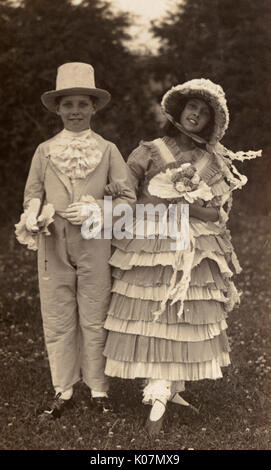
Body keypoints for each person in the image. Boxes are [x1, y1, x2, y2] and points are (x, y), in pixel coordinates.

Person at [103, 78, 261, 435]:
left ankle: (171, 387)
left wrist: (192, 204)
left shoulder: (212, 159)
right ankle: (157, 387)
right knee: (153, 309)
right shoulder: (151, 149)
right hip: (151, 240)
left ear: (210, 122)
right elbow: (127, 195)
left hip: (192, 243)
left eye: (204, 113)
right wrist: (149, 200)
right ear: (179, 109)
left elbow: (217, 212)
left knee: (183, 312)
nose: (196, 115)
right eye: (192, 107)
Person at [15, 62, 136, 419]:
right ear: (57, 108)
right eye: (68, 104)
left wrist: (98, 209)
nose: (75, 112)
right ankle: (63, 388)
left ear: (94, 108)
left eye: (83, 104)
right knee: (57, 315)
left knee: (96, 313)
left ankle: (99, 389)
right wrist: (34, 215)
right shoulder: (45, 150)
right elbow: (31, 194)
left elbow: (128, 199)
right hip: (54, 246)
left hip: (95, 244)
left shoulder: (109, 149)